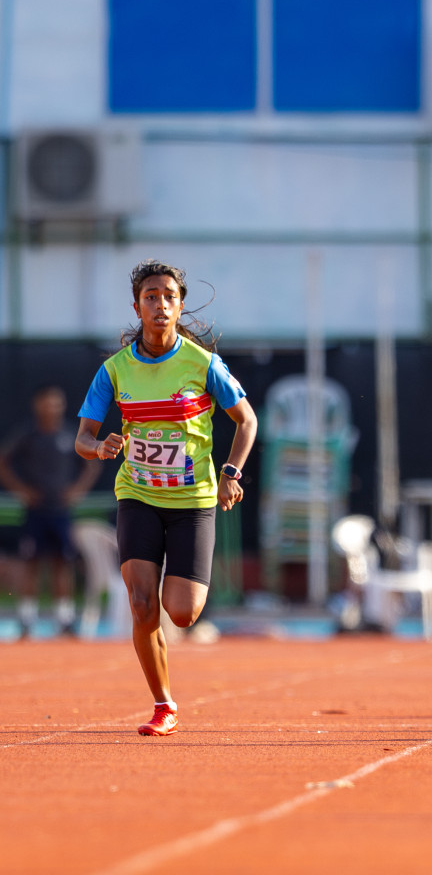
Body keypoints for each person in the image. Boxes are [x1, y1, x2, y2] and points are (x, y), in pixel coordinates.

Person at [74, 260, 257, 736]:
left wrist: (231, 472)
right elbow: (83, 438)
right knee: (140, 602)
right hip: (137, 493)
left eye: (169, 296)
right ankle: (163, 704)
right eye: (151, 296)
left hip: (193, 501)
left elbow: (247, 420)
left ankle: (184, 599)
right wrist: (99, 447)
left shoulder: (202, 364)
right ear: (137, 306)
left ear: (180, 305)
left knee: (182, 611)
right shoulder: (114, 370)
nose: (160, 304)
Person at [0, 386, 100, 637]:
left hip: (60, 512)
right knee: (31, 563)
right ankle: (26, 620)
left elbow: (92, 464)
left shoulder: (69, 435)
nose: (52, 408)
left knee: (62, 564)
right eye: (48, 403)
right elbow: (3, 461)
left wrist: (77, 490)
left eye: (57, 403)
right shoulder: (28, 436)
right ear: (38, 405)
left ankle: (64, 620)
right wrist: (21, 490)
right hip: (35, 511)